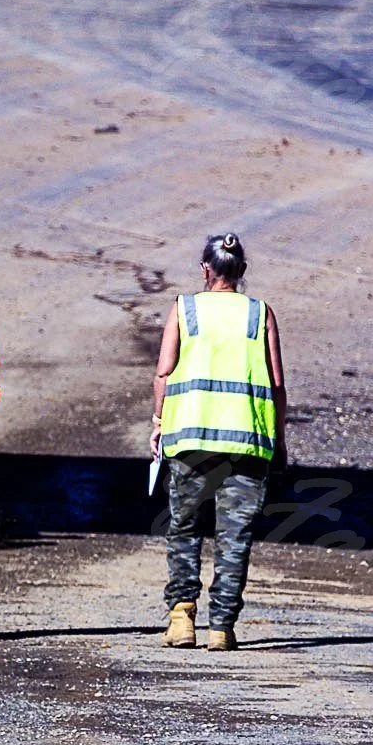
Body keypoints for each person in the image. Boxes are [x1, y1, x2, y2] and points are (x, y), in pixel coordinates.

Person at [151, 233, 287, 652]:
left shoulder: (184, 308)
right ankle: (222, 628)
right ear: (241, 271)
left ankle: (181, 618)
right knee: (235, 536)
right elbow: (276, 385)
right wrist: (279, 437)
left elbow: (163, 373)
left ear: (205, 269)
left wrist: (158, 422)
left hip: (190, 438)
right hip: (247, 443)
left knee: (185, 527)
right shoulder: (260, 314)